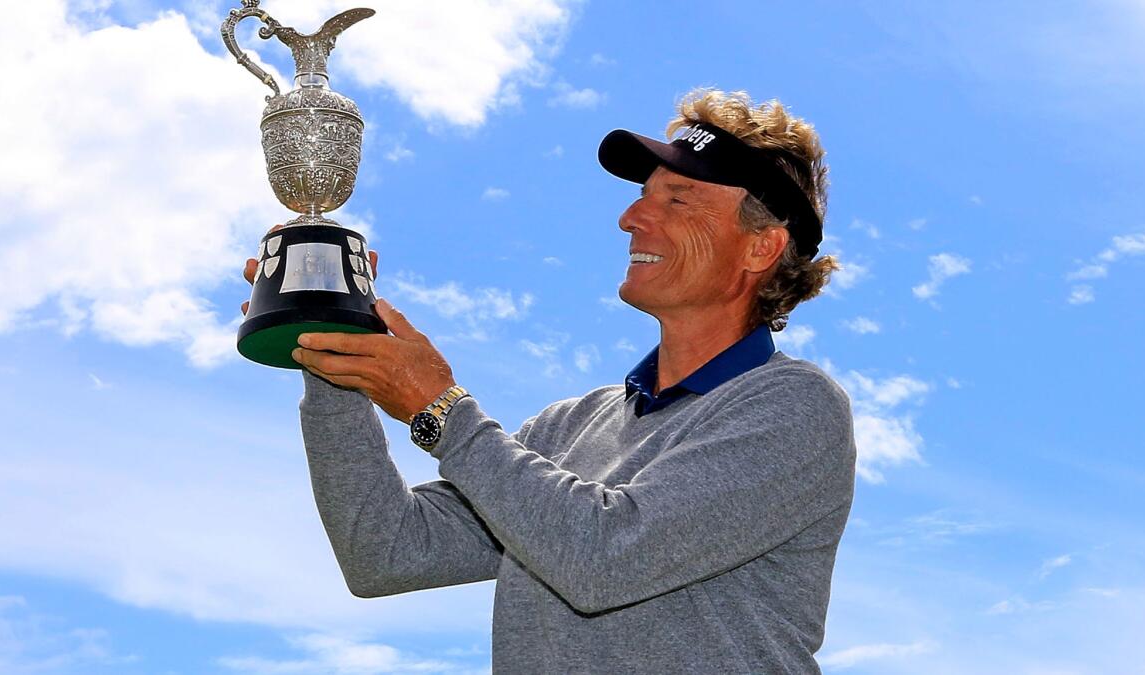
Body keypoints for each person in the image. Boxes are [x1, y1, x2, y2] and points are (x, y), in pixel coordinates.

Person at [242, 88, 856, 673]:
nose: (631, 216)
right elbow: (385, 552)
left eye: (678, 200)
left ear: (761, 248)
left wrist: (441, 409)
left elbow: (606, 558)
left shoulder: (794, 407)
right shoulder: (567, 427)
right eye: (643, 194)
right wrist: (329, 344)